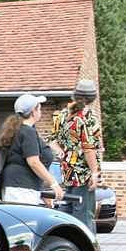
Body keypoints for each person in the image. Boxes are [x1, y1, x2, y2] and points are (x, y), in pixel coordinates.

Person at [48, 79, 103, 233]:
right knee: (84, 215)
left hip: (68, 172)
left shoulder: (64, 114)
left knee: (69, 209)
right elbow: (88, 148)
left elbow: (51, 140)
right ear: (92, 97)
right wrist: (94, 173)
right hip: (83, 174)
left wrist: (61, 152)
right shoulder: (88, 117)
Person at [0, 94, 64, 205]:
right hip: (23, 188)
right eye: (39, 109)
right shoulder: (28, 132)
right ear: (34, 112)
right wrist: (54, 184)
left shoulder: (17, 130)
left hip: (15, 185)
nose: (40, 112)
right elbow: (33, 162)